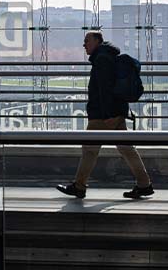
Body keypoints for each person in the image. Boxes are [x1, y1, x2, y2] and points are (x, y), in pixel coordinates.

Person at [56, 32, 152, 199]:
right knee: (126, 149)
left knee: (89, 150)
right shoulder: (107, 56)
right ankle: (144, 184)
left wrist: (107, 113)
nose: (84, 44)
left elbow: (104, 89)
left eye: (87, 41)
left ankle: (79, 186)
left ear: (97, 41)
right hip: (116, 111)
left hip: (103, 114)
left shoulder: (102, 59)